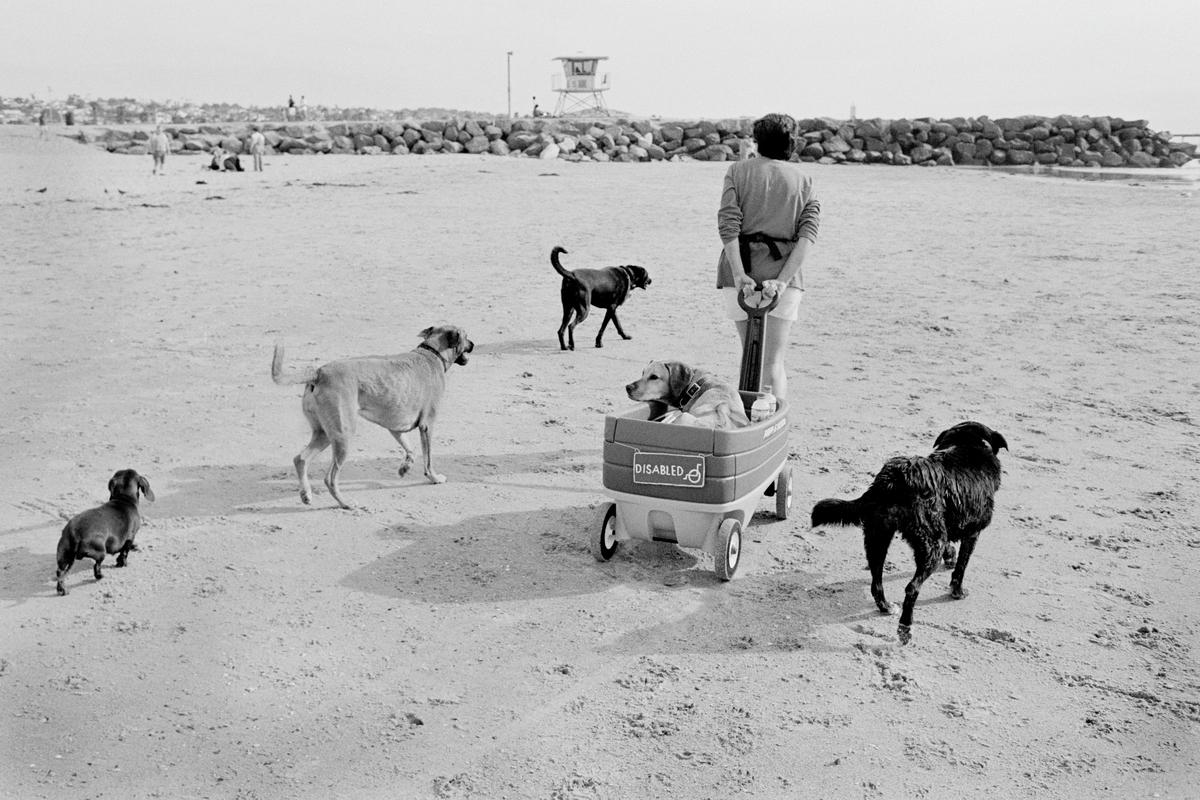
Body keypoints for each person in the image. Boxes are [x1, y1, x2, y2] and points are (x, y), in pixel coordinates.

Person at [715, 113, 820, 401]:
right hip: (782, 271)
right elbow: (807, 235)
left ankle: (746, 422)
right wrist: (783, 281)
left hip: (739, 270)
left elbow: (728, 224)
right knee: (773, 362)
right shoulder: (804, 179)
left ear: (758, 141)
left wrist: (739, 275)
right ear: (792, 142)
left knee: (749, 357)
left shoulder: (737, 171)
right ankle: (773, 427)